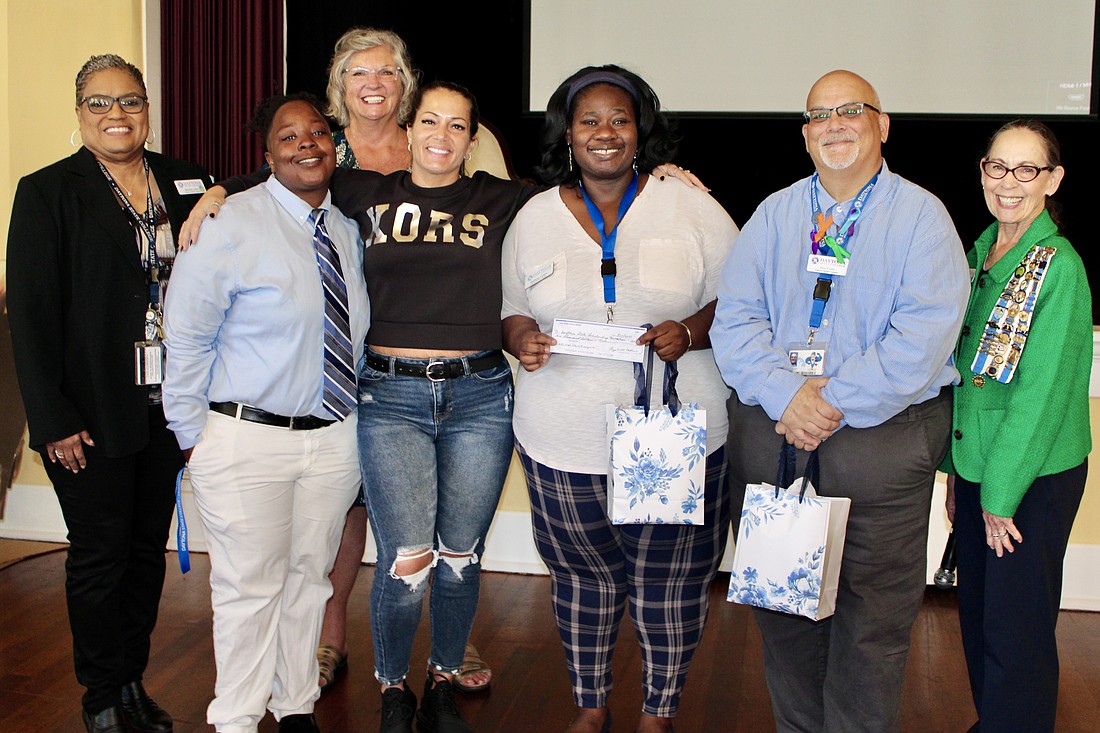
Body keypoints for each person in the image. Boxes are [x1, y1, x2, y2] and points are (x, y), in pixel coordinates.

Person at [711, 69, 970, 732]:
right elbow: (735, 322)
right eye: (819, 115)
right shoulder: (774, 214)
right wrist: (784, 395)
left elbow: (921, 338)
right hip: (775, 437)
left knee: (871, 625)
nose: (834, 125)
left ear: (882, 125)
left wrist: (827, 401)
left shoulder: (923, 218)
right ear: (805, 135)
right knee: (785, 615)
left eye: (850, 110)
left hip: (879, 445)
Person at [501, 65, 737, 733]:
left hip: (677, 434)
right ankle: (591, 703)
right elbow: (510, 309)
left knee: (671, 584)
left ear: (641, 132)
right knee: (582, 580)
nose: (605, 133)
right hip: (560, 441)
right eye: (589, 121)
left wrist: (689, 331)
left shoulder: (690, 205)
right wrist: (522, 338)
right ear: (567, 135)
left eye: (620, 120)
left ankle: (658, 712)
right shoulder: (533, 216)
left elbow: (745, 298)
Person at [5, 54, 210, 733]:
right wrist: (52, 419)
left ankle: (131, 681)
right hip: (88, 414)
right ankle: (100, 695)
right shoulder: (47, 192)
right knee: (99, 554)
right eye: (100, 103)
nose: (116, 115)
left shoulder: (185, 180)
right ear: (79, 112)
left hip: (167, 407)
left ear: (148, 107)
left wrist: (218, 193)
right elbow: (29, 319)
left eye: (130, 101)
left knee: (147, 551)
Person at [162, 93, 370, 733]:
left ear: (334, 145)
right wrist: (193, 435)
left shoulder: (344, 229)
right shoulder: (227, 223)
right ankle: (238, 720)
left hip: (333, 439)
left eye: (317, 133)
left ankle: (296, 704)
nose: (306, 144)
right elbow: (187, 336)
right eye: (289, 136)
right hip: (246, 437)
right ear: (266, 153)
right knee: (249, 590)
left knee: (311, 580)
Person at [943, 119, 1090, 733]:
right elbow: (968, 379)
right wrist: (958, 476)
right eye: (997, 167)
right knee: (977, 619)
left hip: (1030, 483)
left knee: (1017, 631)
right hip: (981, 469)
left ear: (1052, 180)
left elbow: (1041, 396)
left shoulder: (1058, 268)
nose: (1008, 183)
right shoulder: (982, 252)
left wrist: (999, 498)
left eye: (1026, 170)